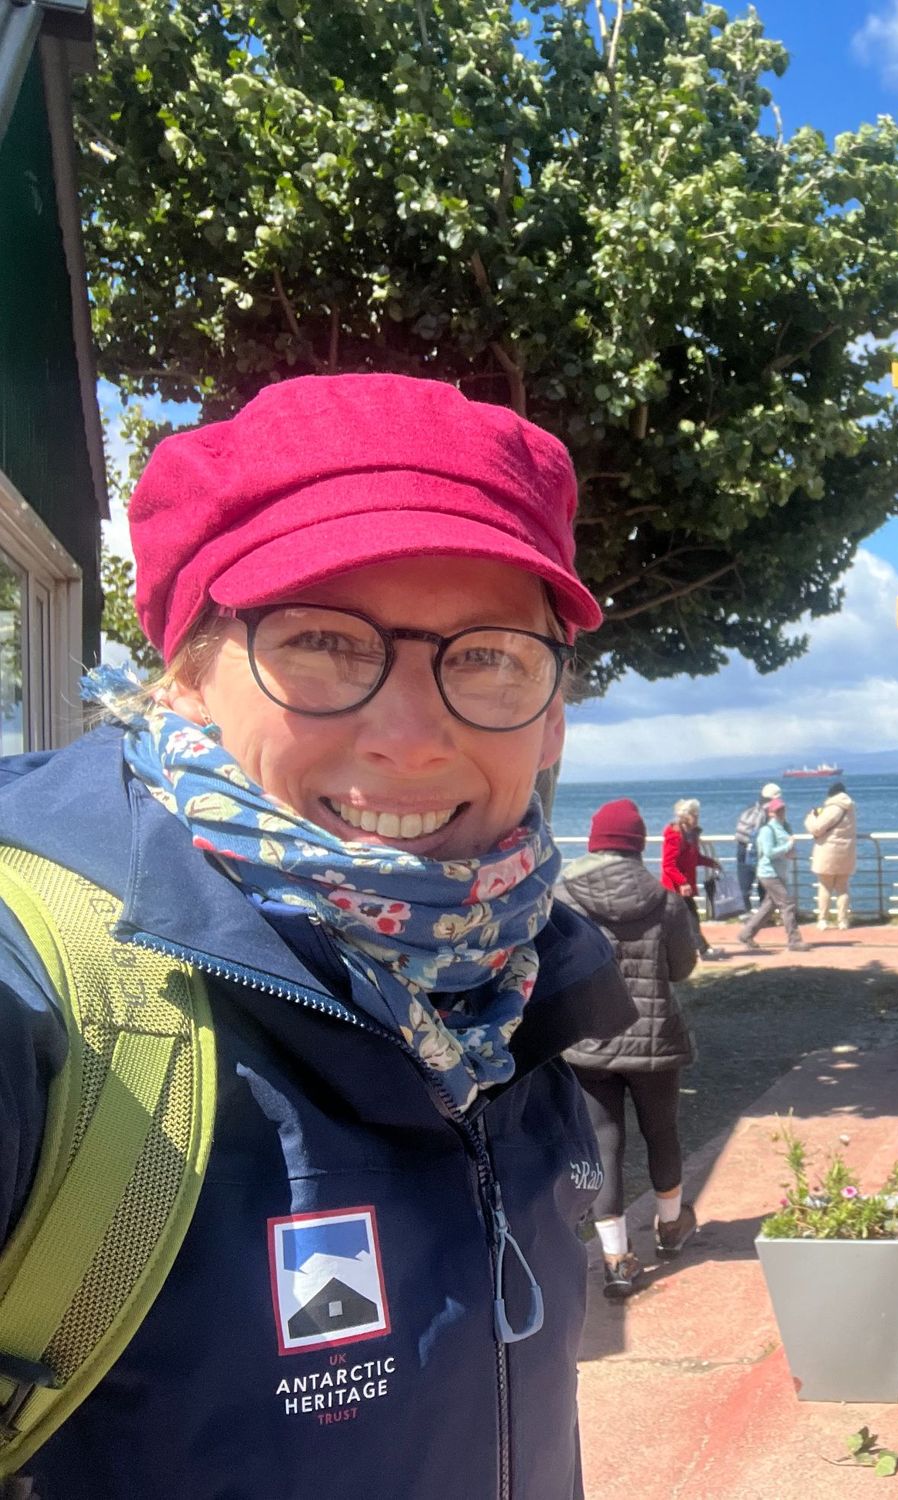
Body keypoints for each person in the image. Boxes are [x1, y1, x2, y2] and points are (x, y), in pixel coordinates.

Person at [0, 374, 633, 1497]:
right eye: (323, 642)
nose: (408, 736)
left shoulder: (508, 970)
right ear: (188, 674)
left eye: (488, 655)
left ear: (553, 713)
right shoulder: (38, 974)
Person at [557, 799, 698, 1297]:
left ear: (595, 841)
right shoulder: (665, 901)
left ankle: (617, 1259)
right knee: (662, 1132)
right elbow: (681, 969)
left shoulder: (562, 897)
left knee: (603, 1141)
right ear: (639, 845)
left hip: (588, 1040)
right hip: (654, 1039)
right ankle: (671, 1227)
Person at [736, 797, 804, 951]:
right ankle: (794, 940)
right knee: (787, 903)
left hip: (780, 872)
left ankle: (746, 934)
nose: (782, 812)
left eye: (783, 809)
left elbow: (787, 850)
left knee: (768, 907)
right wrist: (788, 846)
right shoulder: (767, 830)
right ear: (771, 813)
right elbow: (769, 852)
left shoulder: (785, 827)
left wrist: (791, 851)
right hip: (768, 873)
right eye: (778, 810)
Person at [659, 796, 721, 959]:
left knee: (679, 920)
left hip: (684, 886)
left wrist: (710, 862)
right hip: (675, 887)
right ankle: (703, 949)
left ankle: (692, 949)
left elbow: (693, 858)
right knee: (691, 917)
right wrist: (683, 882)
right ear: (685, 816)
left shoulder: (690, 835)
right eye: (694, 814)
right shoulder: (675, 836)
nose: (697, 818)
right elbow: (668, 865)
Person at [805, 779, 860, 930]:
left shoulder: (833, 808)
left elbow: (816, 828)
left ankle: (823, 919)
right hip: (846, 852)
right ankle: (843, 921)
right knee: (843, 887)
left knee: (825, 886)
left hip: (828, 852)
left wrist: (811, 817)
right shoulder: (850, 809)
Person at [732, 780, 779, 912]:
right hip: (755, 849)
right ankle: (763, 914)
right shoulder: (768, 810)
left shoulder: (752, 807)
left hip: (742, 845)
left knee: (744, 882)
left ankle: (745, 912)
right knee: (763, 882)